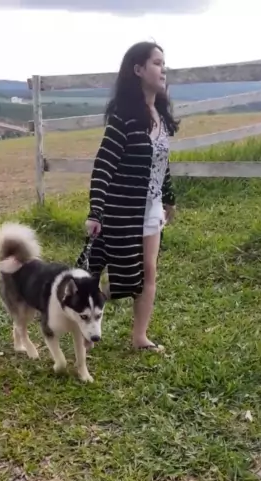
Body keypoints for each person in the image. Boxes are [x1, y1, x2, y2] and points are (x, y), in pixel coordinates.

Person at [78, 42, 179, 352]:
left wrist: (169, 199)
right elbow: (103, 166)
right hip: (121, 210)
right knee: (112, 272)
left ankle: (139, 337)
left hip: (151, 209)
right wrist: (96, 211)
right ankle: (83, 318)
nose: (163, 69)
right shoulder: (123, 117)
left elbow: (161, 163)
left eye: (163, 63)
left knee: (149, 270)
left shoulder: (160, 116)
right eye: (157, 63)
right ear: (138, 70)